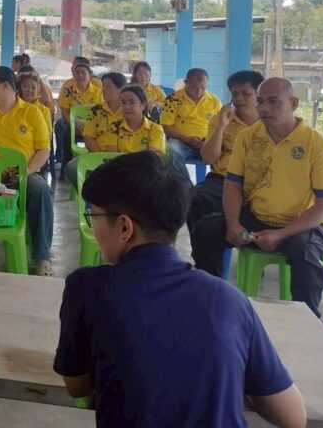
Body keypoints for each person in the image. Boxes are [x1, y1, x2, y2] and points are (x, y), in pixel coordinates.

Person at [53, 151, 306, 428]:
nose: (94, 229)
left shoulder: (87, 289)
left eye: (94, 217)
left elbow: (77, 386)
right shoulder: (229, 300)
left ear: (125, 227)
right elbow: (293, 417)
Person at [191, 78, 323, 316]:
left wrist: (281, 234)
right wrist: (233, 224)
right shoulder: (248, 137)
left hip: (303, 225)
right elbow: (232, 185)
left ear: (293, 104)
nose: (264, 108)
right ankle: (211, 307)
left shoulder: (318, 145)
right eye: (260, 102)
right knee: (206, 230)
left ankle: (303, 322)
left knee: (305, 256)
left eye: (273, 102)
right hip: (258, 217)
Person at [0, 66, 55, 277]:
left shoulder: (32, 112)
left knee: (40, 190)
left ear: (5, 86)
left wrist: (26, 172)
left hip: (20, 171)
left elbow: (43, 150)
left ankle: (42, 256)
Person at [186, 70, 263, 241]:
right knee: (195, 198)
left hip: (259, 183)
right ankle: (202, 250)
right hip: (223, 179)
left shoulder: (269, 121)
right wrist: (221, 125)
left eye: (246, 94)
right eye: (235, 94)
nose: (239, 98)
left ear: (259, 95)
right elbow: (208, 158)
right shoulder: (221, 119)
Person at [63, 72, 127, 189]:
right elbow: (88, 137)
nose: (103, 90)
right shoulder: (96, 111)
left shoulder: (128, 111)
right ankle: (91, 195)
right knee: (72, 168)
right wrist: (99, 157)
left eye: (107, 86)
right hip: (97, 154)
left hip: (123, 156)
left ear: (120, 89)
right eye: (103, 85)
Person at [160, 68, 222, 167]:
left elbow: (220, 125)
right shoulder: (172, 99)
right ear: (186, 83)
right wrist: (187, 139)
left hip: (207, 143)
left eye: (203, 88)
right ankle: (181, 177)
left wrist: (211, 141)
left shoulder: (214, 101)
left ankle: (215, 177)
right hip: (181, 141)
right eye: (194, 87)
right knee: (172, 150)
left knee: (227, 154)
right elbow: (166, 126)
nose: (199, 91)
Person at [56, 60, 103, 166]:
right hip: (74, 125)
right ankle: (66, 166)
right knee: (67, 132)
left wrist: (88, 127)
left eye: (83, 72)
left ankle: (94, 165)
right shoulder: (68, 91)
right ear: (73, 75)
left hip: (92, 125)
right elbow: (64, 112)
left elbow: (101, 112)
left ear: (90, 75)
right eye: (77, 73)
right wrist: (74, 125)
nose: (80, 75)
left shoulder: (98, 92)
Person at [106, 86, 166, 153]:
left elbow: (151, 157)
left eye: (132, 102)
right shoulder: (115, 126)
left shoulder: (155, 129)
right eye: (123, 103)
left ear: (143, 105)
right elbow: (112, 154)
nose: (127, 107)